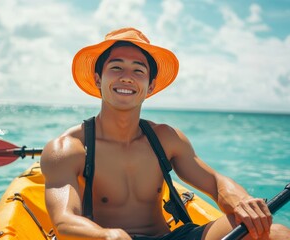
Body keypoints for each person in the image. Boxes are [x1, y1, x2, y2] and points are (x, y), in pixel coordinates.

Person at [40, 27, 290, 240]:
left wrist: (243, 201)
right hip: (105, 238)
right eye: (116, 68)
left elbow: (215, 183)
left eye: (138, 71)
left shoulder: (165, 138)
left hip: (171, 236)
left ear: (150, 87)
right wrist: (106, 235)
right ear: (98, 79)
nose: (127, 78)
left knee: (277, 233)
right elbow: (64, 220)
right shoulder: (68, 148)